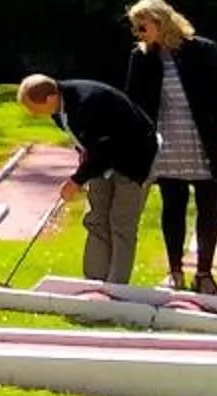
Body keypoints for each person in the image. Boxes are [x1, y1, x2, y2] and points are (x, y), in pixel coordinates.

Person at [119, 0, 217, 295]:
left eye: (142, 26)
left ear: (160, 21)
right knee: (173, 206)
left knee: (209, 208)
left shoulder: (204, 51)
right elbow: (133, 103)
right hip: (167, 142)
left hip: (205, 141)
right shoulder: (141, 58)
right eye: (135, 27)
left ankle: (205, 274)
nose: (138, 33)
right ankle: (175, 271)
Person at [19, 72, 156, 285]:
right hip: (102, 161)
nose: (34, 114)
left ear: (49, 98)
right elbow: (87, 141)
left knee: (121, 223)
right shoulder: (59, 109)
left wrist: (76, 180)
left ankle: (115, 288)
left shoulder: (85, 103)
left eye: (34, 109)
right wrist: (83, 160)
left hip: (134, 159)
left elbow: (105, 148)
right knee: (97, 219)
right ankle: (93, 282)